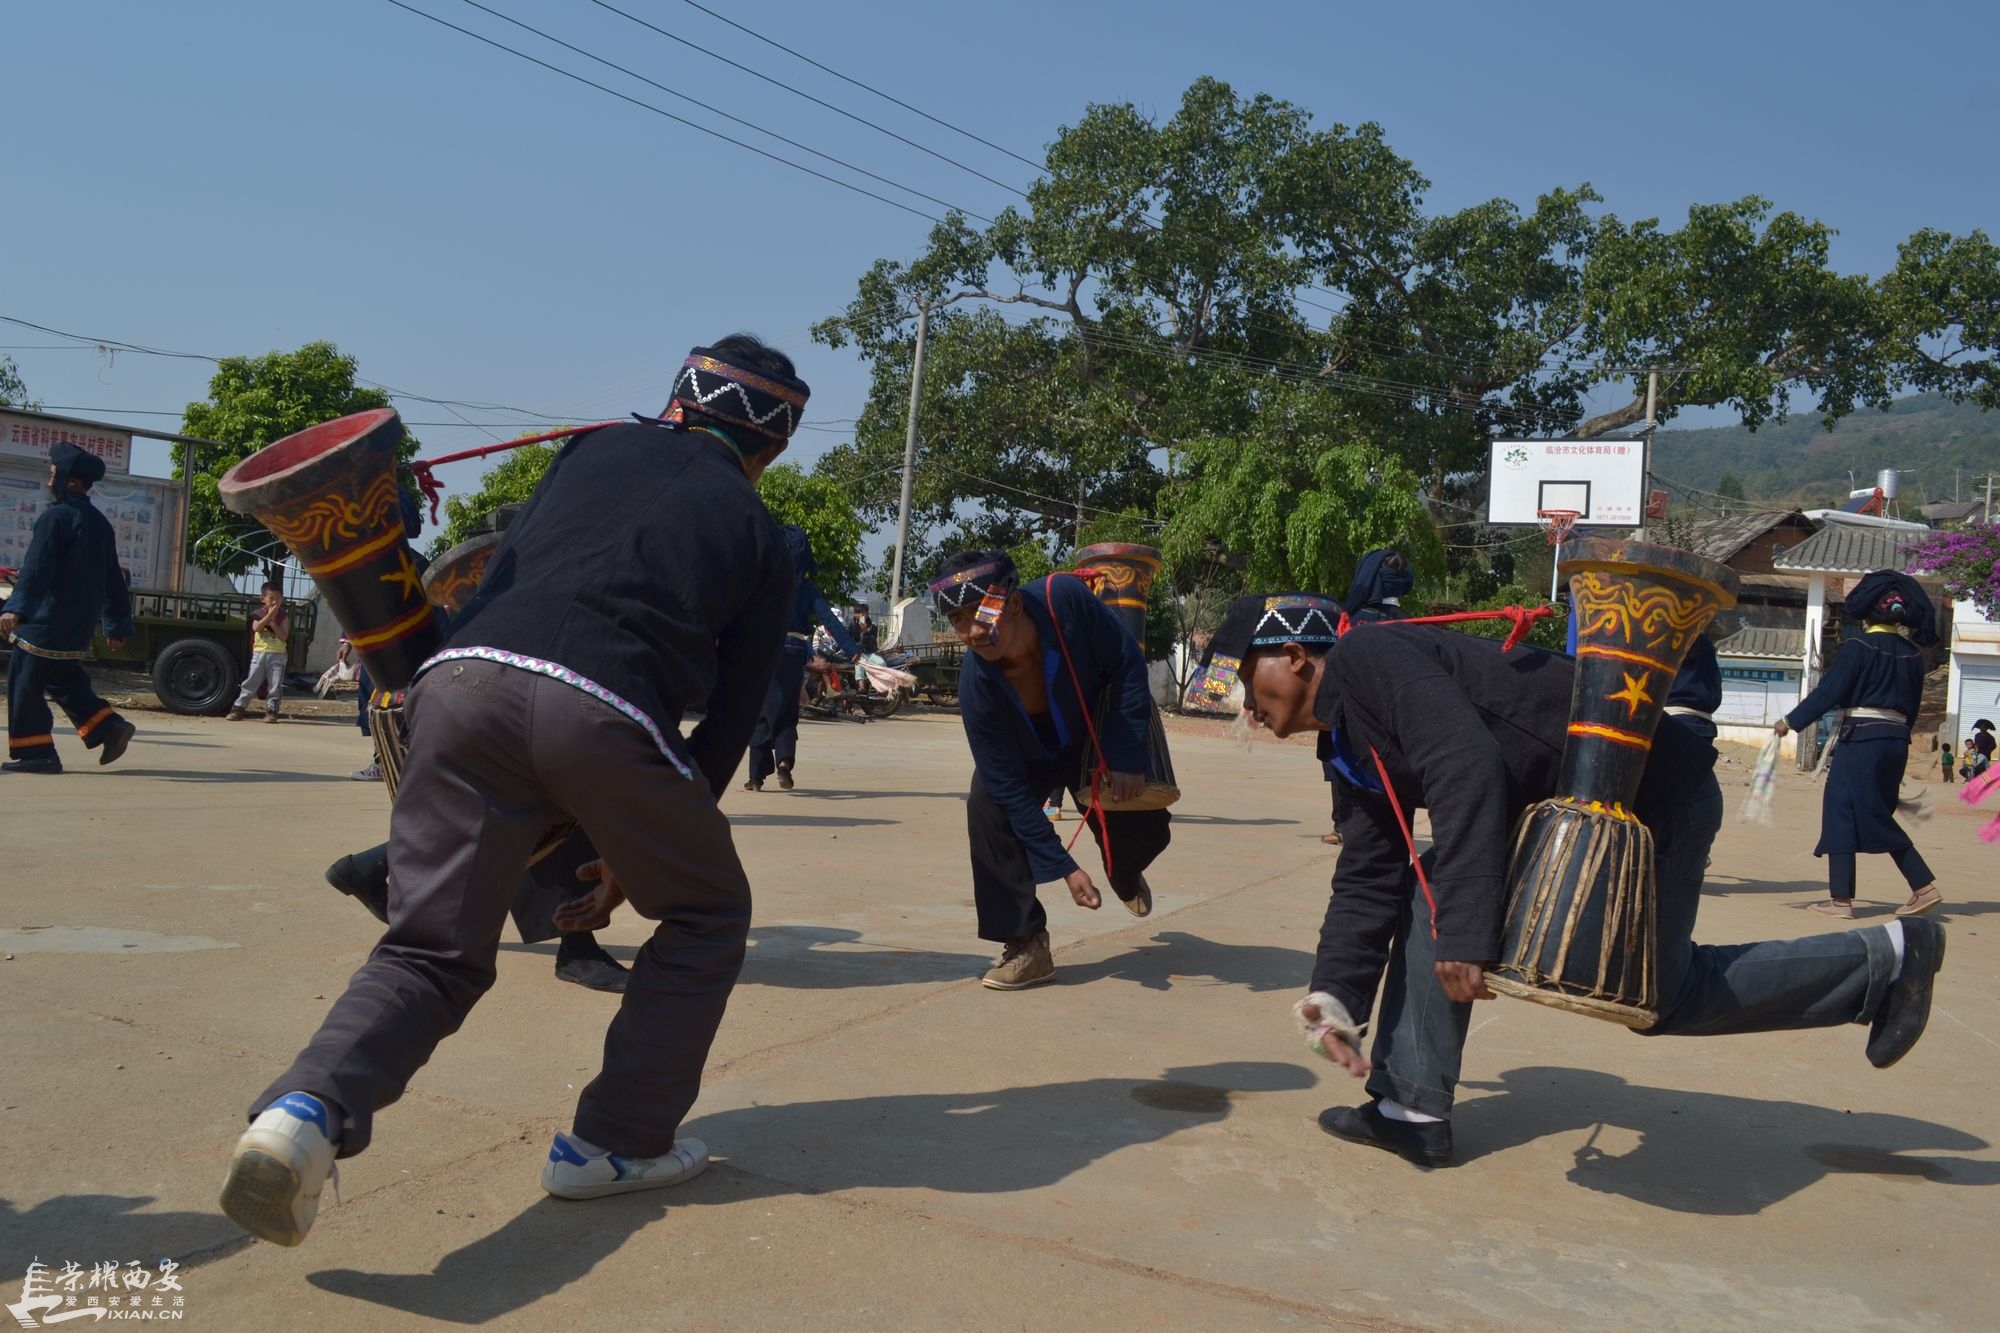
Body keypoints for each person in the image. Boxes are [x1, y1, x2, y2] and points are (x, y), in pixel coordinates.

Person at [220, 335, 804, 1246]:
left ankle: (304, 1111)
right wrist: (632, 847)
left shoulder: (594, 447)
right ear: (769, 449)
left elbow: (506, 568)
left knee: (428, 951)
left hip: (457, 685)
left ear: (679, 404)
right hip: (607, 708)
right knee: (708, 911)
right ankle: (615, 1143)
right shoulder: (762, 535)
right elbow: (730, 723)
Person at [1206, 590, 1946, 1168]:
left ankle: (1888, 959)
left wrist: (1467, 931)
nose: (1247, 704)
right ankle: (1409, 1109)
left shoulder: (1371, 661)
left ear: (1297, 655)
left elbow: (1465, 766)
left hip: (1660, 790)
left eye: (1248, 677)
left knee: (1659, 995)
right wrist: (1333, 997)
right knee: (1432, 883)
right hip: (1577, 808)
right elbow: (1369, 871)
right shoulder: (1346, 741)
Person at [931, 550, 1170, 990]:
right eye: (958, 620)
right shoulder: (976, 686)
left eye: (980, 613)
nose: (971, 632)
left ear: (1015, 604)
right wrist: (1063, 866)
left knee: (1146, 831)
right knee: (987, 801)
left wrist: (1124, 756)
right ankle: (1025, 944)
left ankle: (1124, 871)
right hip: (1030, 754)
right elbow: (1008, 787)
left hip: (1093, 736)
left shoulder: (1065, 600)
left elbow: (1126, 666)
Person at [1776, 570, 1944, 919]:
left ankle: (1922, 885)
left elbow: (1829, 692)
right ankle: (1840, 900)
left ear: (1866, 614)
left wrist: (1791, 721)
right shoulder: (1912, 655)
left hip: (1862, 740)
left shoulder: (1859, 647)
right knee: (1852, 812)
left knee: (1855, 813)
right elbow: (1911, 709)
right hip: (1895, 741)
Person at [0, 442, 138, 774]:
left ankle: (38, 754)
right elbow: (113, 579)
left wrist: (15, 608)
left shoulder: (55, 518)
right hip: (78, 625)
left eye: (53, 475)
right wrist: (117, 624)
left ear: (71, 482)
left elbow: (38, 569)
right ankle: (110, 727)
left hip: (45, 623)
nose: (50, 481)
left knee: (24, 682)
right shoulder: (100, 524)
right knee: (64, 679)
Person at [744, 526, 863, 792]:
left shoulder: (762, 581)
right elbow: (829, 620)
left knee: (761, 710)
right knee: (787, 710)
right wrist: (852, 649)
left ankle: (756, 777)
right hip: (795, 651)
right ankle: (784, 764)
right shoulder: (807, 589)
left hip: (764, 649)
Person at [1320, 550, 1413, 846]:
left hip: (1353, 713)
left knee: (1344, 767)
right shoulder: (1409, 623)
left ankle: (1343, 826)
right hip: (1394, 716)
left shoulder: (1354, 621)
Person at [228, 583, 290, 722]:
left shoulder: (283, 616)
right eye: (271, 598)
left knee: (275, 685)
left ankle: (271, 711)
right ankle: (238, 708)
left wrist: (273, 623)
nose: (274, 602)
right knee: (251, 682)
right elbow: (256, 627)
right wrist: (269, 616)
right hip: (260, 653)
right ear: (263, 599)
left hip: (277, 654)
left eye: (278, 599)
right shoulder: (258, 613)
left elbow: (284, 636)